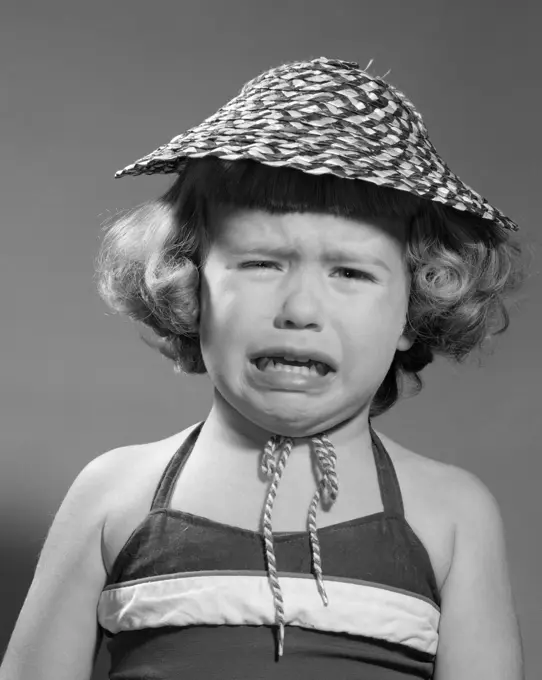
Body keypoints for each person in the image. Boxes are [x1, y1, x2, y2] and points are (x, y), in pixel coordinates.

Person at [1, 57, 528, 680]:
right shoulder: (115, 495)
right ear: (189, 287)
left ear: (415, 307)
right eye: (260, 263)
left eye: (351, 272)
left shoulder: (450, 514)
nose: (300, 309)